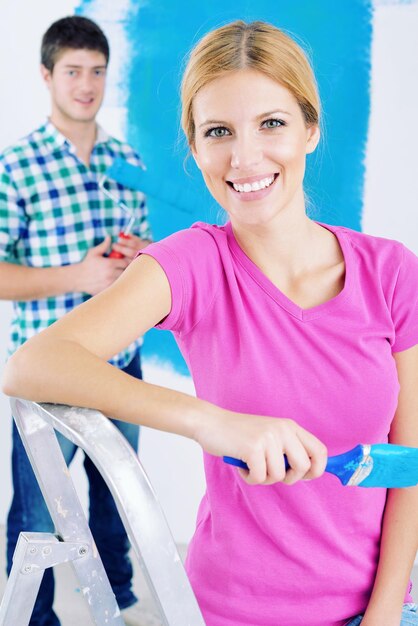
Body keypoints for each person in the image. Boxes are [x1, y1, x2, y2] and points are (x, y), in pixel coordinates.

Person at [3, 19, 418, 626]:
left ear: (311, 128)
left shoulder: (392, 273)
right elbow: (31, 364)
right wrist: (212, 424)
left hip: (383, 608)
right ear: (194, 147)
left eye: (271, 123)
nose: (244, 157)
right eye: (218, 131)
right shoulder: (195, 263)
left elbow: (408, 462)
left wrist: (383, 616)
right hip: (233, 612)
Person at [0, 15, 159, 626]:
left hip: (122, 360)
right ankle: (34, 617)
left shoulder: (125, 160)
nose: (86, 85)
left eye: (96, 71)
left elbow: (137, 247)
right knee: (39, 514)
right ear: (47, 76)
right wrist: (77, 275)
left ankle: (117, 603)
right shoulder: (16, 166)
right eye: (73, 71)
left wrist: (138, 255)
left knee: (118, 498)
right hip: (48, 376)